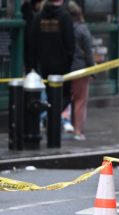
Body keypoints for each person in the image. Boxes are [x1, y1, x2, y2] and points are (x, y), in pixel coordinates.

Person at [29, 0, 75, 131]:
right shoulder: (65, 16)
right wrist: (68, 61)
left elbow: (32, 42)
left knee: (48, 93)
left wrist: (33, 64)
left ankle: (49, 118)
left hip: (44, 64)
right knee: (64, 95)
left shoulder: (39, 17)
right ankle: (56, 119)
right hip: (63, 65)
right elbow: (70, 42)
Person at [62, 1, 93, 141]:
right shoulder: (82, 29)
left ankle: (73, 127)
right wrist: (92, 70)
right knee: (80, 101)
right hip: (80, 69)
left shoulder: (64, 28)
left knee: (70, 100)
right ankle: (78, 131)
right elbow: (88, 52)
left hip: (66, 68)